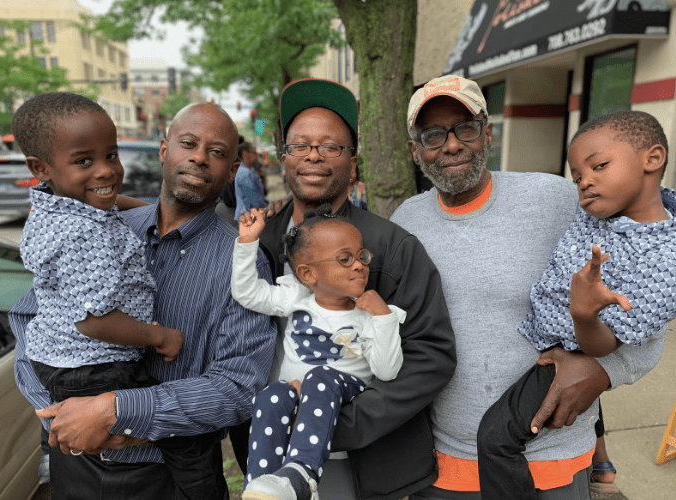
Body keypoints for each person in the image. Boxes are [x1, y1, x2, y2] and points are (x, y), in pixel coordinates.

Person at [389, 74, 667, 500]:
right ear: (415, 149)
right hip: (439, 465)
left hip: (552, 459)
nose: (451, 145)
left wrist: (606, 371)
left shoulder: (558, 200)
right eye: (432, 134)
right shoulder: (405, 223)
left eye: (466, 127)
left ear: (488, 132)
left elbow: (648, 295)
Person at [9, 101, 277, 500]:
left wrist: (115, 412)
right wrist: (58, 416)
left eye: (218, 152)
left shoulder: (243, 261)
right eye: (189, 143)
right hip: (76, 464)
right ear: (165, 150)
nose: (200, 157)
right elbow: (32, 320)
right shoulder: (96, 226)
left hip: (165, 475)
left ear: (233, 171)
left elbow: (239, 386)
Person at [242, 77, 456, 500]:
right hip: (271, 453)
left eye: (331, 146)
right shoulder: (260, 245)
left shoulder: (391, 248)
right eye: (300, 145)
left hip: (370, 467)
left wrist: (329, 423)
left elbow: (430, 355)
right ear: (283, 158)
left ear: (353, 162)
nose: (313, 157)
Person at [476, 110, 676, 499]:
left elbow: (605, 347)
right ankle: (602, 461)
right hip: (546, 337)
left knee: (496, 437)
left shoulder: (665, 261)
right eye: (577, 175)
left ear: (653, 159)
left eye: (599, 166)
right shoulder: (600, 209)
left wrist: (583, 313)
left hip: (565, 356)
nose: (585, 182)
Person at [233, 205, 405, 500]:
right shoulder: (297, 298)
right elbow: (249, 293)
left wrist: (383, 317)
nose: (359, 265)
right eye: (345, 259)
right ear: (308, 273)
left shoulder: (370, 316)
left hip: (344, 401)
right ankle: (264, 486)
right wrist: (248, 243)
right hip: (297, 411)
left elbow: (387, 370)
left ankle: (302, 475)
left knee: (320, 376)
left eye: (362, 256)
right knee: (271, 395)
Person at [234, 142, 268, 220]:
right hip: (250, 218)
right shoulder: (246, 173)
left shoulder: (245, 170)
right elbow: (254, 200)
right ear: (245, 154)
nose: (256, 156)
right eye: (254, 153)